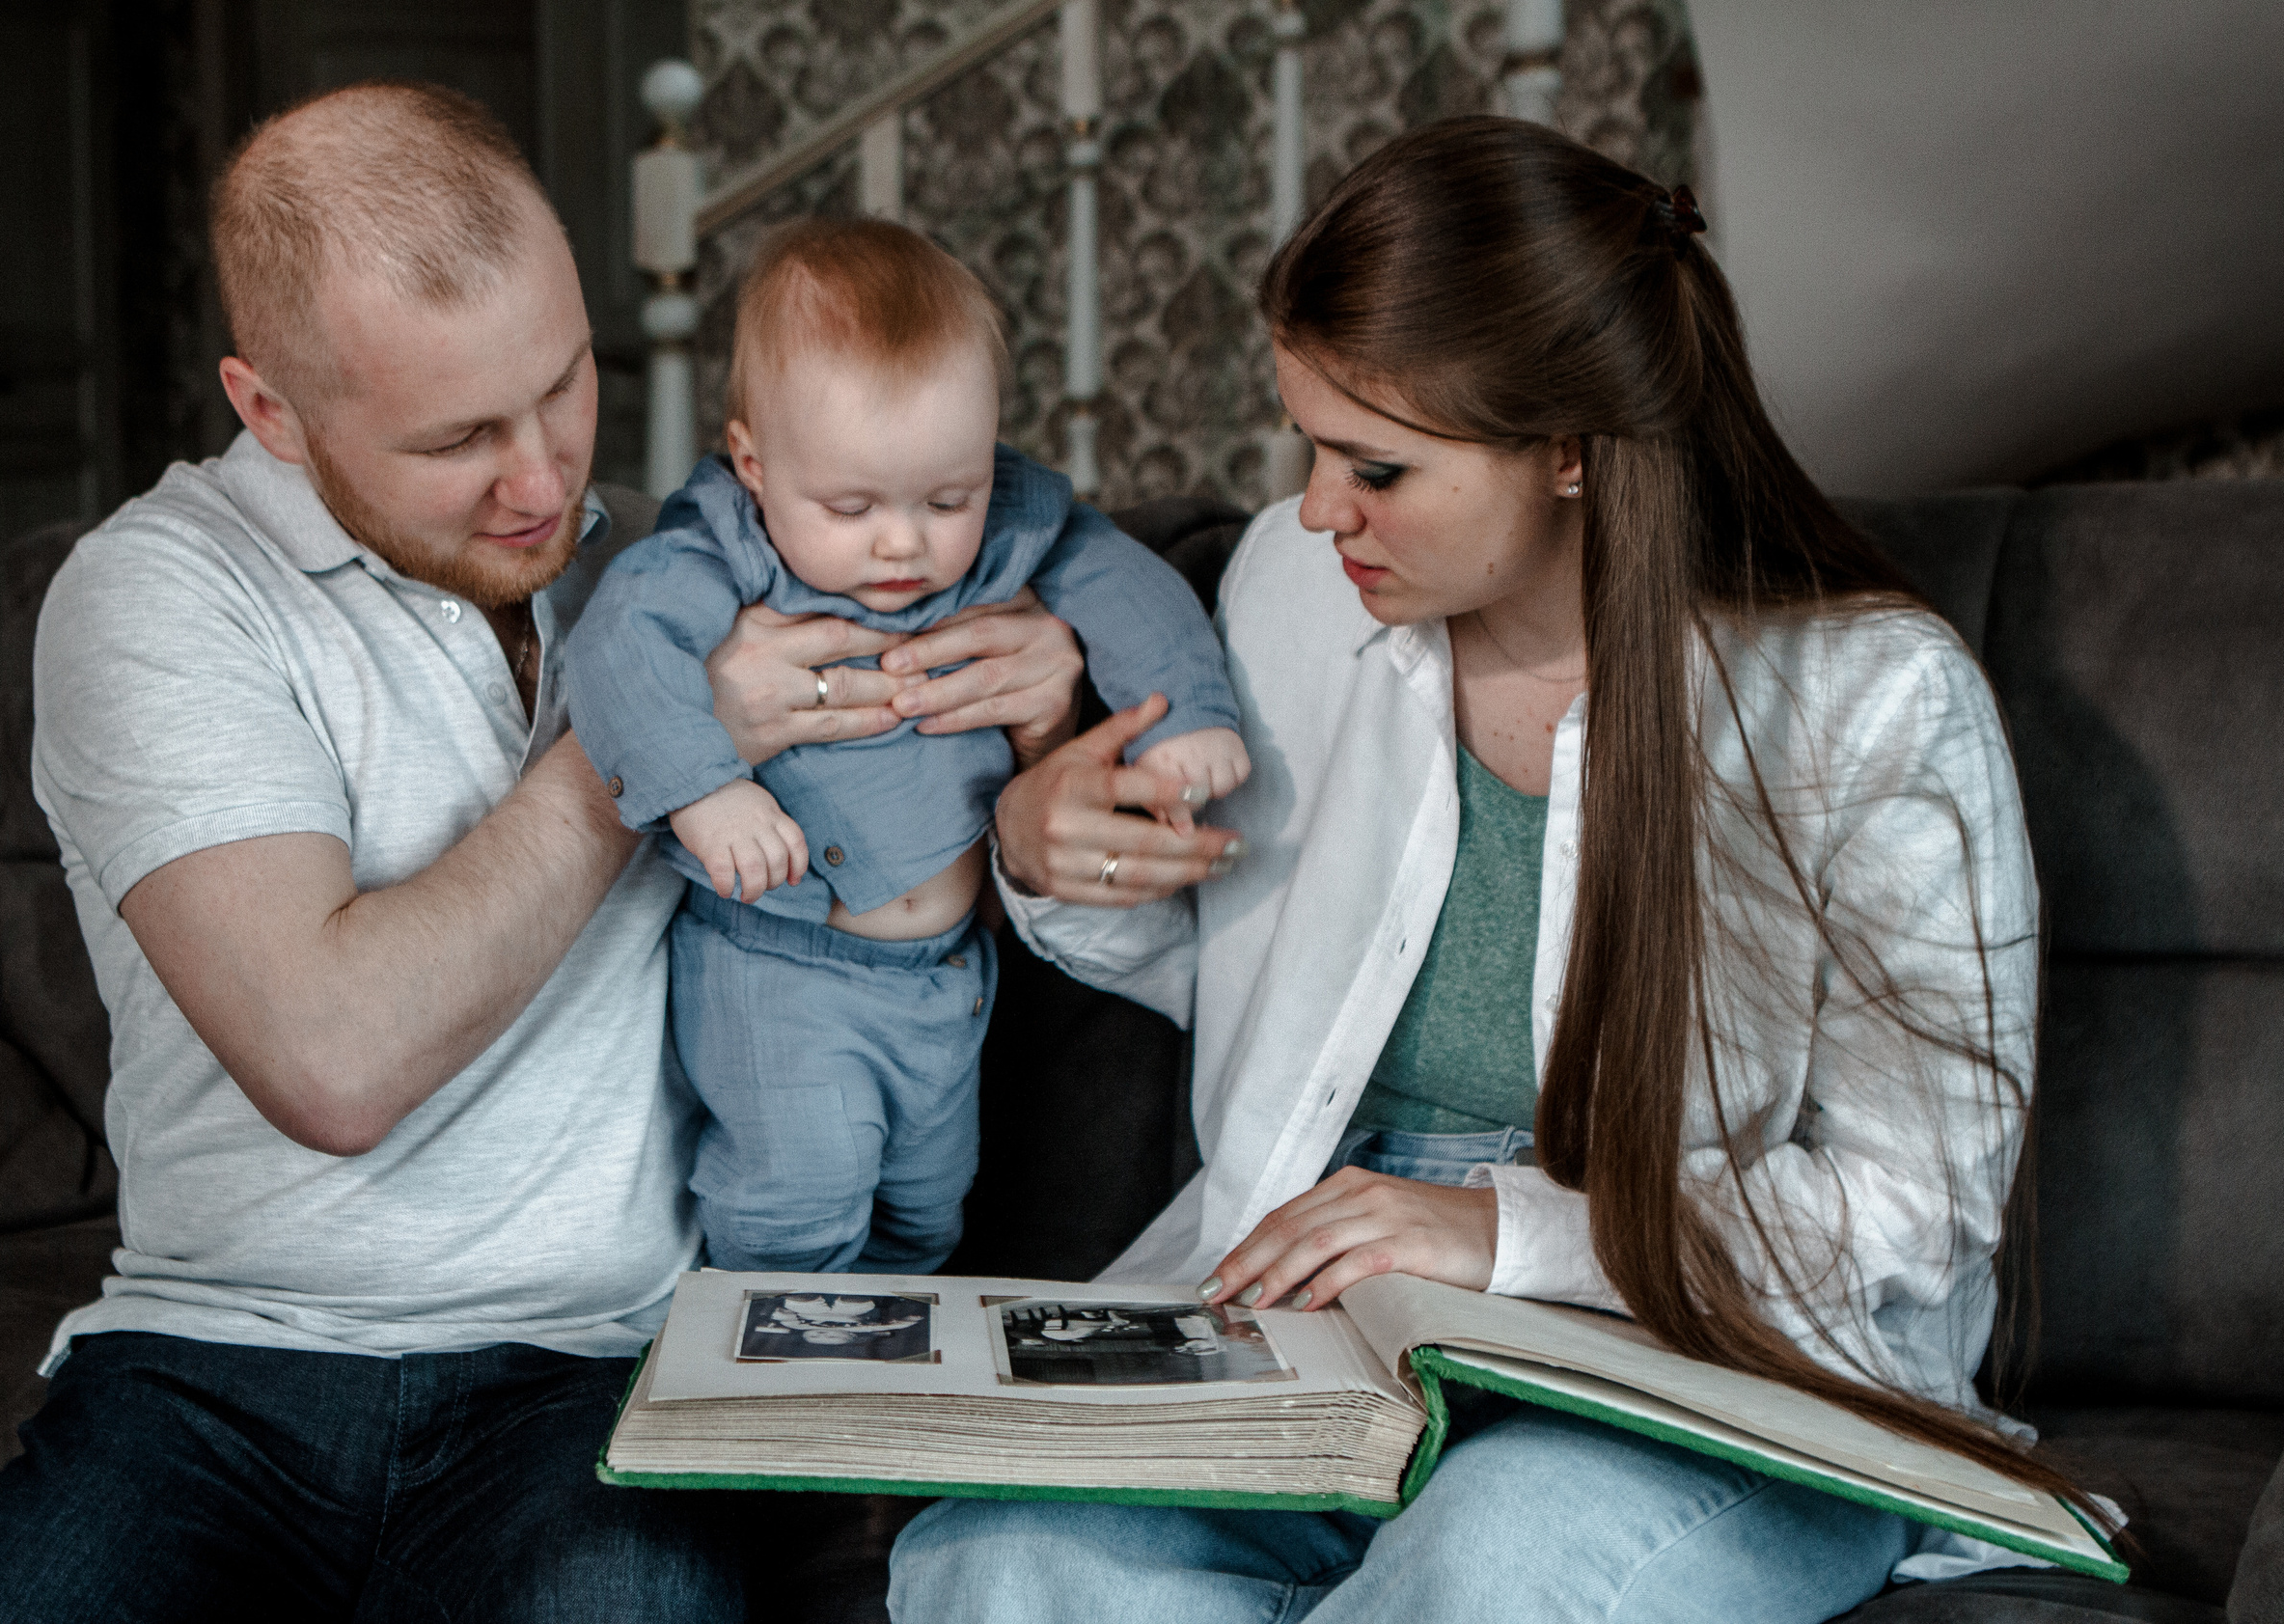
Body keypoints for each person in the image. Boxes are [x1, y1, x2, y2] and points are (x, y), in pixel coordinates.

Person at [0, 80, 1086, 1624]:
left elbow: (935, 830)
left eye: (565, 384)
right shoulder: (160, 593)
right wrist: (661, 743)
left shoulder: (692, 565)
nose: (546, 480)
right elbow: (333, 1061)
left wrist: (1044, 707)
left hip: (594, 1377)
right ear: (270, 410)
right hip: (216, 1372)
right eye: (457, 437)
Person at [891, 115, 2078, 1622]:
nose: (1317, 508)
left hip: (1709, 1356)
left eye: (1377, 465)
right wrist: (1042, 845)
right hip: (1326, 1298)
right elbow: (1273, 989)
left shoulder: (1875, 701)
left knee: (1495, 1569)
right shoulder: (1293, 588)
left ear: (1570, 448)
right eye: (1310, 445)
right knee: (1006, 1556)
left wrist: (1504, 1229)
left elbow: (1915, 1203)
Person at [563, 218, 1246, 1276]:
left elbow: (1125, 586)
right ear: (752, 463)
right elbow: (620, 649)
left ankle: (874, 1366)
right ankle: (765, 1361)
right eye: (850, 506)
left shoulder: (1009, 532)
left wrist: (1190, 712)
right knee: (797, 1203)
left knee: (927, 1213)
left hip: (946, 978)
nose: (903, 542)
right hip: (779, 967)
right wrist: (705, 793)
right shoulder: (719, 551)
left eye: (947, 498)